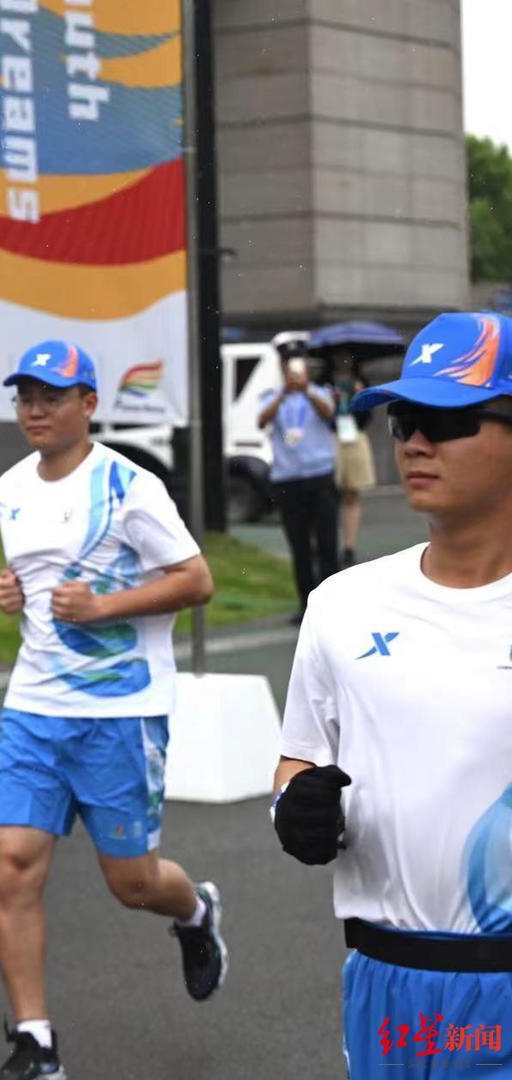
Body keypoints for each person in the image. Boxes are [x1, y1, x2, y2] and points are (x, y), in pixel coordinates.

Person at [273, 311, 512, 1078]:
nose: (412, 441)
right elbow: (298, 763)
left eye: (444, 419)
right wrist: (296, 809)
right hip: (384, 982)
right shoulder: (343, 605)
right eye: (403, 419)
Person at [0, 341, 223, 1079]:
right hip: (33, 706)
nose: (35, 408)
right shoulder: (7, 490)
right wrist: (14, 593)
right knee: (14, 868)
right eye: (26, 395)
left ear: (89, 404)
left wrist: (104, 607)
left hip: (122, 713)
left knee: (133, 884)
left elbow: (197, 580)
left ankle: (195, 912)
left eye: (52, 396)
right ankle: (36, 1042)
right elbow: (39, 578)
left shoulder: (131, 487)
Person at [257, 341, 339, 620]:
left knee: (327, 542)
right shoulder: (272, 396)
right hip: (288, 479)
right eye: (287, 365)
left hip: (319, 475)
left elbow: (329, 414)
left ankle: (332, 603)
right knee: (299, 544)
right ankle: (306, 604)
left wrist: (305, 391)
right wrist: (283, 395)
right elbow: (261, 420)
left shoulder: (320, 393)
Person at [327, 348, 377, 568]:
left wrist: (360, 396)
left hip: (354, 435)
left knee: (351, 492)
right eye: (339, 356)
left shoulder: (360, 380)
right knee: (329, 493)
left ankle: (349, 546)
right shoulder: (324, 383)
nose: (343, 360)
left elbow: (368, 416)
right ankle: (328, 544)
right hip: (332, 436)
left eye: (347, 356)